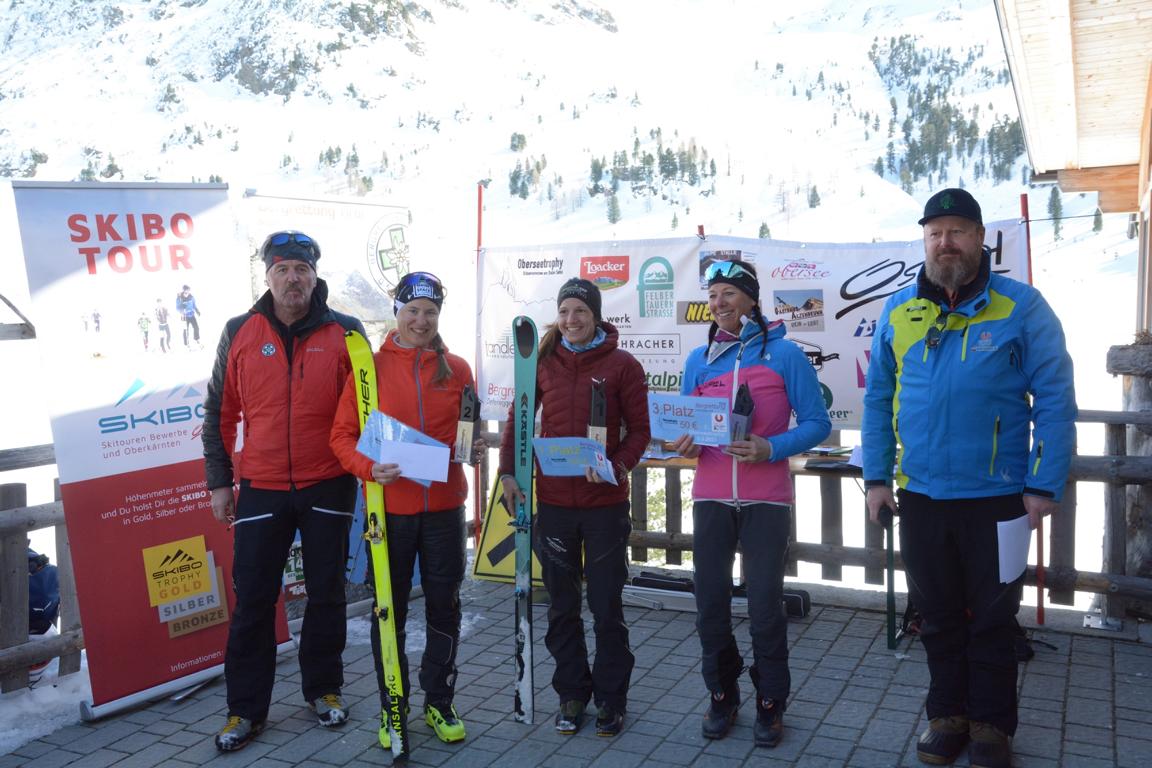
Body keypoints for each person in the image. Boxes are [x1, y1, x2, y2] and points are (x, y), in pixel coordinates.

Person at [862, 188, 1077, 768]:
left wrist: (1043, 484)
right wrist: (877, 477)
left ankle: (990, 727)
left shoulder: (1022, 307)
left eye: (957, 231)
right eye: (934, 233)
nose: (945, 242)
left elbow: (1055, 399)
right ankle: (947, 717)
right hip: (922, 496)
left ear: (981, 238)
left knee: (992, 619)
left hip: (998, 499)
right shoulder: (899, 311)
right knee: (935, 615)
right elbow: (878, 398)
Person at [202, 231, 366, 753]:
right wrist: (219, 481)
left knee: (327, 593)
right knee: (253, 598)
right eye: (282, 269)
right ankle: (245, 711)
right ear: (268, 276)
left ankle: (324, 689)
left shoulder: (347, 331)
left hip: (328, 482)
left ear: (315, 276)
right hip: (262, 486)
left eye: (301, 269)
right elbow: (219, 412)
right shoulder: (240, 331)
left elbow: (368, 409)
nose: (292, 279)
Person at [671, 261, 830, 748]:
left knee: (764, 607)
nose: (718, 303)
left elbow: (818, 423)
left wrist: (771, 447)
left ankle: (770, 701)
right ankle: (722, 694)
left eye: (728, 294)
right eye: (712, 295)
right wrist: (687, 442)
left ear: (751, 300)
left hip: (766, 500)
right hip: (712, 497)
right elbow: (687, 426)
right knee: (710, 604)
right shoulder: (700, 359)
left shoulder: (785, 355)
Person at [330, 271, 482, 747]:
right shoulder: (369, 369)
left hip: (444, 509)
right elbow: (341, 437)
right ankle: (391, 703)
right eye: (412, 311)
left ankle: (439, 700)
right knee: (388, 610)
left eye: (430, 312)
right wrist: (368, 467)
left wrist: (473, 449)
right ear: (397, 313)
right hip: (390, 512)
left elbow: (468, 434)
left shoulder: (458, 369)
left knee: (444, 606)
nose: (421, 320)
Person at [498, 277, 651, 737]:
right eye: (564, 311)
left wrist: (616, 467)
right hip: (556, 505)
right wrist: (508, 473)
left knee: (606, 606)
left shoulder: (623, 365)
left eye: (580, 311)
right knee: (562, 606)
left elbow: (640, 432)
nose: (571, 319)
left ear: (596, 316)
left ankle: (611, 699)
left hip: (604, 505)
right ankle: (572, 693)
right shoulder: (544, 361)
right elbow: (518, 418)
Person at [177, 284, 201, 348]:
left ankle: (196, 338)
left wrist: (197, 311)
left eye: (188, 290)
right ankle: (186, 343)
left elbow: (194, 305)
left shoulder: (191, 297)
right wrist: (181, 307)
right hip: (184, 316)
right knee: (186, 330)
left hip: (191, 315)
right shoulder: (180, 298)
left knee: (196, 327)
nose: (187, 292)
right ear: (183, 290)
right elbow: (177, 307)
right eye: (186, 290)